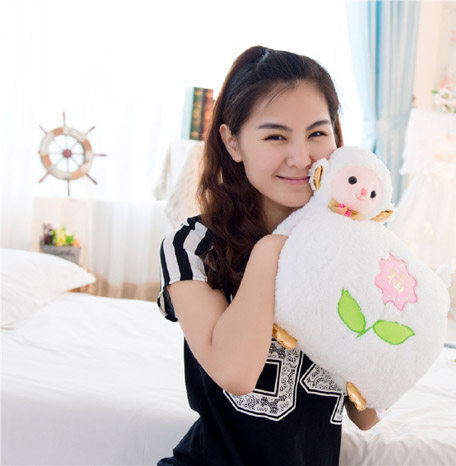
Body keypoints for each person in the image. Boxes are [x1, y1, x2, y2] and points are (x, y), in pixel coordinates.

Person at [157, 45, 380, 465]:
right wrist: (274, 247)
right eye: (275, 136)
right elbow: (236, 374)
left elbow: (365, 414)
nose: (301, 157)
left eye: (317, 133)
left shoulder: (353, 246)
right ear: (233, 142)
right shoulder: (192, 247)